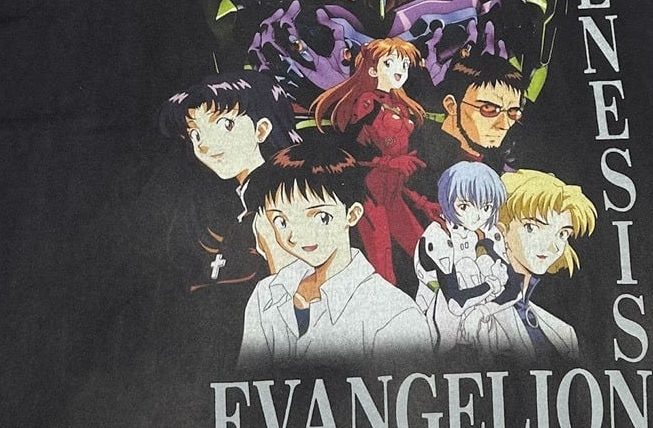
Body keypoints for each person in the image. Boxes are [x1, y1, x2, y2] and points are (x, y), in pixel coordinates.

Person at [237, 139, 433, 369]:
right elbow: (249, 379)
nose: (297, 235)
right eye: (281, 221)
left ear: (352, 214)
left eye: (320, 217)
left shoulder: (393, 312)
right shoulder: (267, 294)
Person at [310, 38, 439, 285]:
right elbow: (348, 151)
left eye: (404, 64)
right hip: (368, 196)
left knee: (426, 253)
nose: (399, 70)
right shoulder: (367, 103)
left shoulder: (399, 104)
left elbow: (396, 182)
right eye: (390, 63)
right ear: (372, 70)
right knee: (383, 267)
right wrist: (388, 163)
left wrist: (421, 202)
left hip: (393, 195)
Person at [158, 71, 302, 292]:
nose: (205, 144)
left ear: (261, 129)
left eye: (225, 124)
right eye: (195, 134)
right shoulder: (237, 203)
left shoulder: (287, 199)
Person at [478, 168, 596, 362]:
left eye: (562, 233)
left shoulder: (563, 332)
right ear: (500, 229)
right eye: (532, 227)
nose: (551, 246)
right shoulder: (476, 319)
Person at [413, 161, 510, 356]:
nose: (476, 216)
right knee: (468, 266)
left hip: (482, 314)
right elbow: (454, 303)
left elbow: (513, 289)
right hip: (436, 317)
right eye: (465, 206)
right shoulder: (439, 235)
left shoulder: (489, 231)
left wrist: (482, 311)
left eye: (486, 207)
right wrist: (492, 285)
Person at [414, 50, 527, 187]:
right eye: (488, 108)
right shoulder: (419, 156)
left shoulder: (492, 163)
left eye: (512, 112)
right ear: (451, 106)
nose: (504, 124)